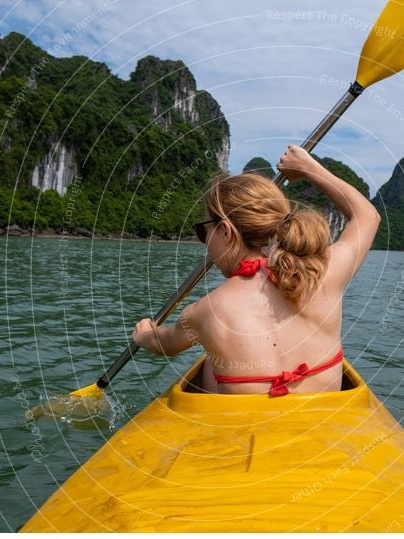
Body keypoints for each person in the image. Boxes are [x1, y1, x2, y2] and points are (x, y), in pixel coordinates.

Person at [132, 144, 380, 395]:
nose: (204, 241)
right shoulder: (325, 272)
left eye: (203, 231)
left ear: (226, 232)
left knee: (211, 358)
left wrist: (144, 335)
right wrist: (309, 168)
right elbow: (367, 216)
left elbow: (164, 343)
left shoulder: (204, 313)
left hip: (245, 428)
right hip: (323, 427)